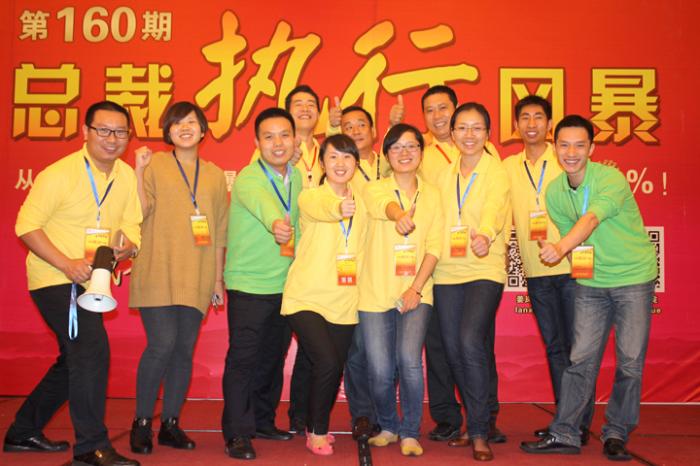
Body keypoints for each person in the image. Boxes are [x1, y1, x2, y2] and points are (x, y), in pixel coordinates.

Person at [5, 101, 142, 466]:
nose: (112, 139)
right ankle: (91, 448)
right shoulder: (59, 174)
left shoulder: (126, 176)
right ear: (85, 132)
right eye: (103, 130)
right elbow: (27, 226)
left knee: (74, 359)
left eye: (120, 132)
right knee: (91, 351)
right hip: (55, 278)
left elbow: (132, 225)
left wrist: (128, 246)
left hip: (95, 280)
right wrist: (66, 264)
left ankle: (23, 431)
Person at [520, 115, 657, 461]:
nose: (571, 153)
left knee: (630, 362)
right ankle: (566, 432)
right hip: (591, 282)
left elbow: (591, 218)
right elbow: (580, 239)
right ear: (554, 148)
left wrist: (560, 247)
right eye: (564, 145)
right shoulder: (555, 192)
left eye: (579, 145)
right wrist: (569, 250)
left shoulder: (609, 178)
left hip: (632, 278)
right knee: (579, 359)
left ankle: (616, 433)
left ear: (592, 148)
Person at [128, 102, 229, 455]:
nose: (185, 128)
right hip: (157, 267)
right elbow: (139, 211)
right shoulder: (154, 163)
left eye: (191, 122)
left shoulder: (215, 175)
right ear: (167, 131)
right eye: (177, 123)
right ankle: (142, 422)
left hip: (198, 271)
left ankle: (170, 423)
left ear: (203, 130)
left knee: (184, 350)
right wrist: (138, 172)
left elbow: (219, 231)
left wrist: (217, 280)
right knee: (162, 344)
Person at [503, 95, 593, 444]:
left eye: (538, 117)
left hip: (571, 267)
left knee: (577, 348)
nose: (531, 124)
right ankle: (564, 422)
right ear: (516, 126)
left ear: (550, 124)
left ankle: (579, 423)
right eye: (524, 117)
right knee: (555, 348)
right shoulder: (508, 166)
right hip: (536, 270)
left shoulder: (564, 158)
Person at [417, 86, 505, 443]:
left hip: (484, 267)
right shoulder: (442, 175)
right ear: (452, 134)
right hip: (446, 271)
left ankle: (481, 428)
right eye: (463, 128)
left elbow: (495, 208)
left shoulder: (496, 170)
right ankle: (474, 421)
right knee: (452, 347)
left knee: (470, 341)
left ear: (488, 133)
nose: (469, 135)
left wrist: (486, 234)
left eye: (477, 128)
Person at [221, 107, 302, 460]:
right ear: (257, 142)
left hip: (285, 285)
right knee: (243, 360)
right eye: (269, 137)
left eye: (284, 135)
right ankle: (237, 433)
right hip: (249, 286)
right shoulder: (248, 178)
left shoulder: (298, 178)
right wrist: (276, 224)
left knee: (272, 357)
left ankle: (263, 421)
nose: (278, 143)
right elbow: (265, 205)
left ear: (295, 139)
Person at [281, 134, 368, 455]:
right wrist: (339, 207)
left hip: (344, 300)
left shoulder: (364, 202)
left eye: (347, 157)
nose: (340, 164)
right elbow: (324, 208)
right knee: (327, 361)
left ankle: (313, 424)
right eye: (332, 157)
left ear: (356, 163)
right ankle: (317, 430)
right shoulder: (310, 197)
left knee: (332, 367)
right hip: (305, 296)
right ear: (322, 163)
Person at [360, 123, 443, 457]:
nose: (404, 153)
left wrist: (416, 289)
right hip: (374, 290)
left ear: (421, 152)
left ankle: (409, 431)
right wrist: (399, 215)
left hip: (417, 290)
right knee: (380, 369)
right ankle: (388, 426)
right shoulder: (373, 189)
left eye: (411, 146)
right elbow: (383, 206)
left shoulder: (433, 194)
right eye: (396, 147)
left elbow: (435, 247)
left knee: (409, 361)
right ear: (386, 155)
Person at [339, 105, 389, 435]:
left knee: (386, 349)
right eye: (348, 126)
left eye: (361, 125)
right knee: (356, 347)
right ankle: (362, 414)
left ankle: (385, 412)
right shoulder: (341, 169)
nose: (356, 131)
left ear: (374, 131)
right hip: (354, 268)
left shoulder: (392, 163)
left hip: (390, 266)